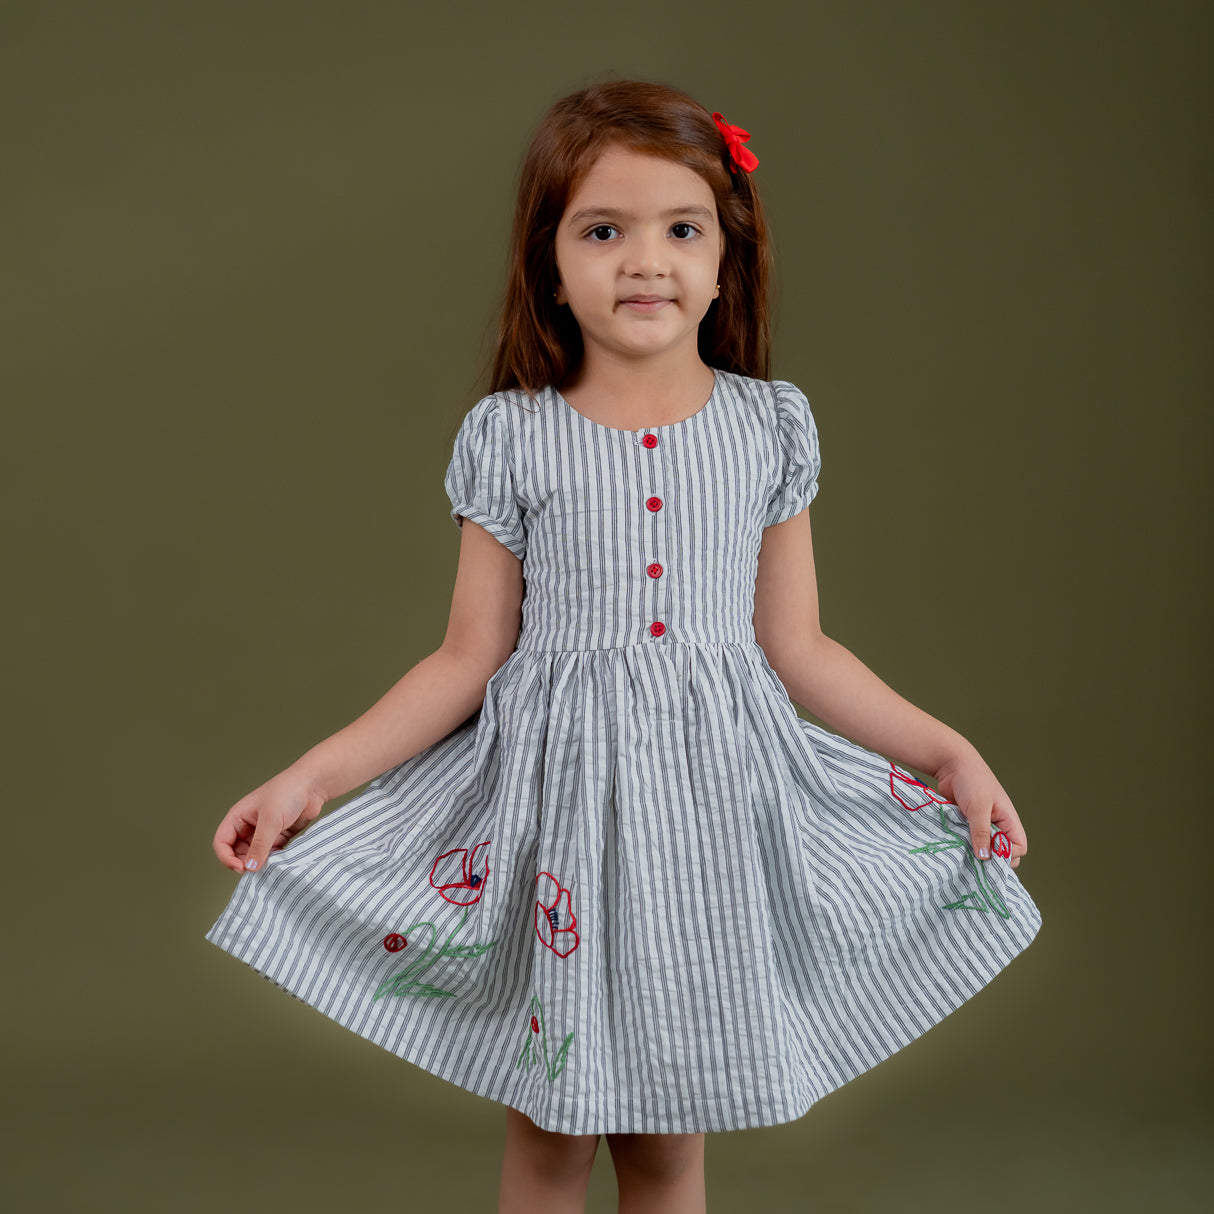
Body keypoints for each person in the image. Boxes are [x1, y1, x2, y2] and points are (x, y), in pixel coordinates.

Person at [207, 77, 1042, 1214]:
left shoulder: (766, 428)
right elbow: (461, 661)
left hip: (706, 828)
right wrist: (309, 777)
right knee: (552, 1133)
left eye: (680, 229)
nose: (645, 261)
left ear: (722, 257)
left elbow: (797, 647)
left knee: (664, 1147)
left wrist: (947, 751)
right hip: (557, 822)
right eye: (604, 230)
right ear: (549, 262)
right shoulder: (512, 437)